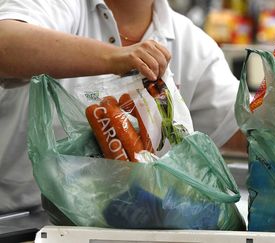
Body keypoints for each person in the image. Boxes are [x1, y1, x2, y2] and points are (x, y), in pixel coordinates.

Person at [0, 0, 247, 214]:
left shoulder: (190, 42)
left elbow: (244, 126)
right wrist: (113, 58)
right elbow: (5, 44)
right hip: (19, 221)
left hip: (120, 223)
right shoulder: (63, 6)